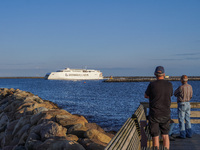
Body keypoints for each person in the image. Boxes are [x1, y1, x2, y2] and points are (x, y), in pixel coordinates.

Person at [145, 66, 173, 149]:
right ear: (164, 74)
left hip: (154, 114)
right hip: (166, 113)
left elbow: (146, 95)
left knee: (155, 136)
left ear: (155, 74)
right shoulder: (169, 84)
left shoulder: (152, 84)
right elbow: (170, 94)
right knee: (165, 135)